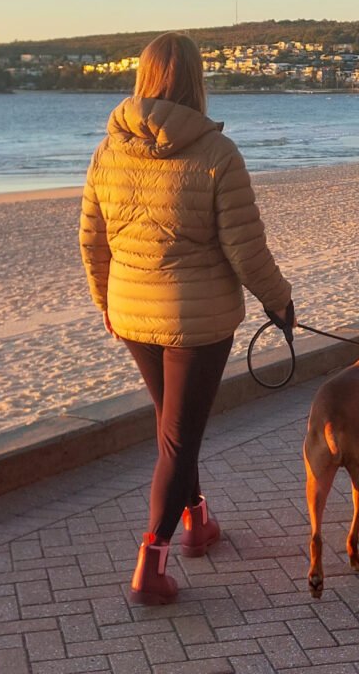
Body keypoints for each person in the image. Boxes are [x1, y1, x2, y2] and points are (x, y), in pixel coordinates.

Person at [79, 32, 295, 605]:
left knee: (175, 430)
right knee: (178, 437)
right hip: (197, 322)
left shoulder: (108, 150)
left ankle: (198, 522)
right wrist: (280, 301)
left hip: (131, 311)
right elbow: (246, 250)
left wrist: (105, 302)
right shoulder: (216, 154)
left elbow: (92, 242)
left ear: (143, 78)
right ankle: (150, 567)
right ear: (197, 79)